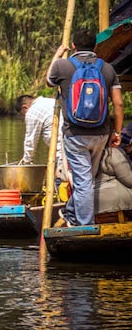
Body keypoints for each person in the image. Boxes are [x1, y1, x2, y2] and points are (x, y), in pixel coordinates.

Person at [47, 29, 124, 226]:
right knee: (86, 181)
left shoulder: (62, 66)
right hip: (101, 134)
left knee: (82, 183)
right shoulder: (107, 69)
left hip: (75, 135)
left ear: (73, 45)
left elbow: (48, 80)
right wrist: (117, 131)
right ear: (95, 46)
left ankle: (85, 225)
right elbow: (118, 104)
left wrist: (57, 54)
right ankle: (72, 213)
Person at [15, 94, 65, 179]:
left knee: (57, 180)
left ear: (24, 108)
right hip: (72, 144)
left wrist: (26, 162)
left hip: (60, 150)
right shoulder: (49, 101)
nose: (24, 117)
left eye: (23, 114)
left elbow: (30, 141)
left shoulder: (32, 112)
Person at [93, 144, 132, 216]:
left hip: (92, 202)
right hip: (114, 202)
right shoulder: (113, 152)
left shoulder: (86, 152)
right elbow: (129, 180)